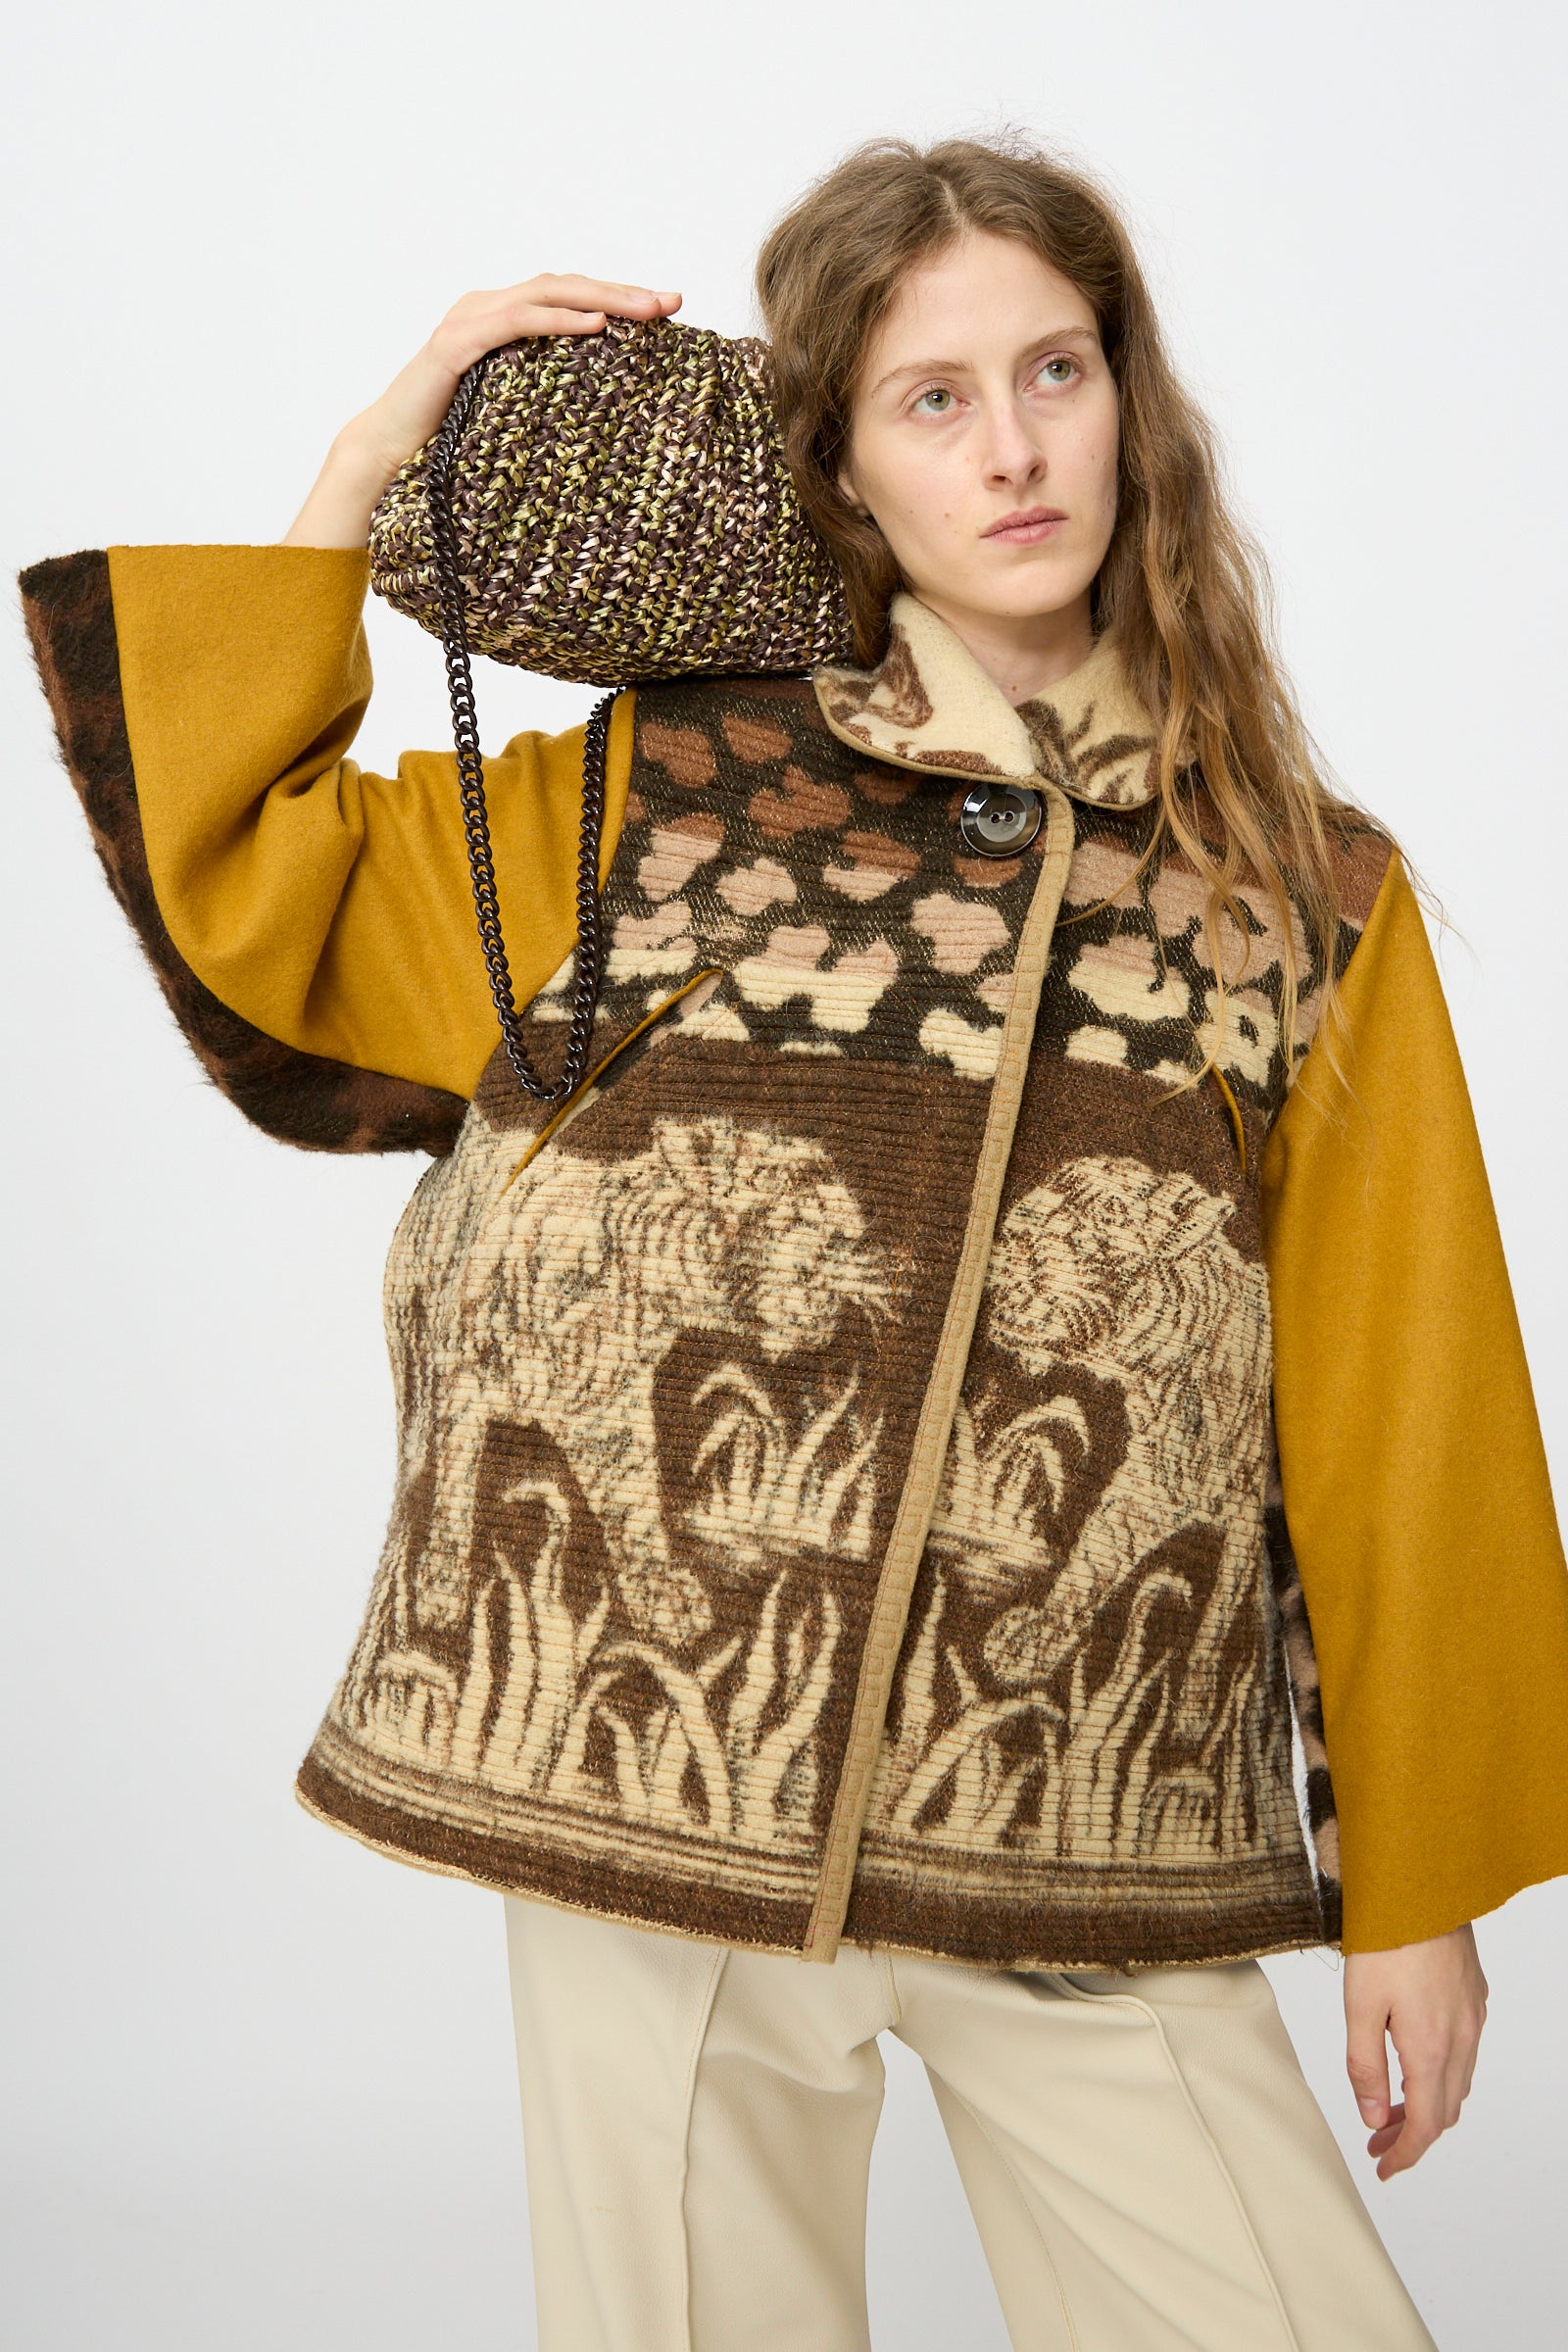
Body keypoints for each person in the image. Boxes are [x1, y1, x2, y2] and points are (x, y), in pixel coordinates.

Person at [21, 134, 1568, 2352]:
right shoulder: (654, 797)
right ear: (839, 460)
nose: (1016, 446)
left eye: (1055, 370)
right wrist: (374, 459)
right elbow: (261, 887)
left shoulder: (1295, 892)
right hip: (641, 1791)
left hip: (1082, 1820)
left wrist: (1414, 1887)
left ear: (1133, 398)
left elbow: (1395, 1396)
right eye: (930, 398)